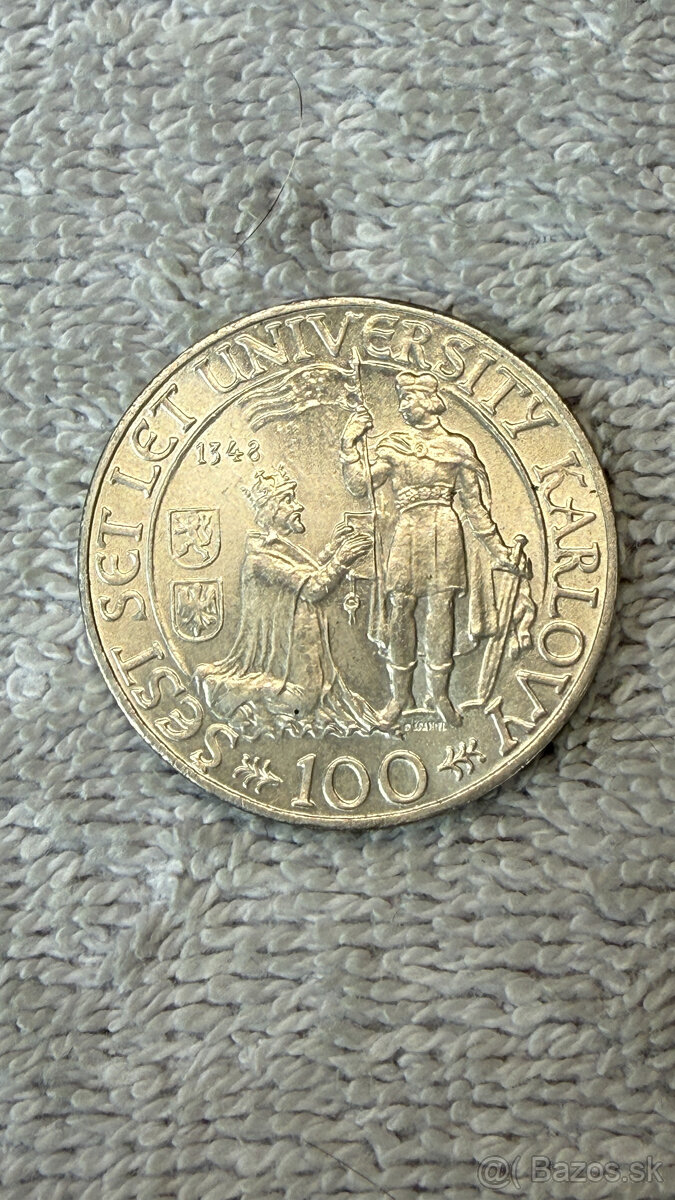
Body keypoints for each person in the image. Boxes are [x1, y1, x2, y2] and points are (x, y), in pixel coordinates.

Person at [340, 370, 515, 727]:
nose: (403, 406)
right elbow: (360, 486)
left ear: (430, 401)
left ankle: (439, 695)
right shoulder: (393, 446)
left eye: (409, 398)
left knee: (441, 609)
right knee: (401, 606)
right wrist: (349, 445)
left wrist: (499, 550)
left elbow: (474, 508)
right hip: (407, 530)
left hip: (445, 529)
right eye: (401, 399)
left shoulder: (456, 448)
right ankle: (399, 697)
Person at [194, 464, 374, 736]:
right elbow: (312, 588)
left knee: (313, 697)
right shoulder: (261, 558)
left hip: (301, 646)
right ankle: (231, 688)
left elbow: (303, 575)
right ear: (271, 510)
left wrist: (331, 549)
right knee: (302, 702)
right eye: (288, 500)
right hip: (285, 656)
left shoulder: (279, 548)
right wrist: (342, 558)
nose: (297, 506)